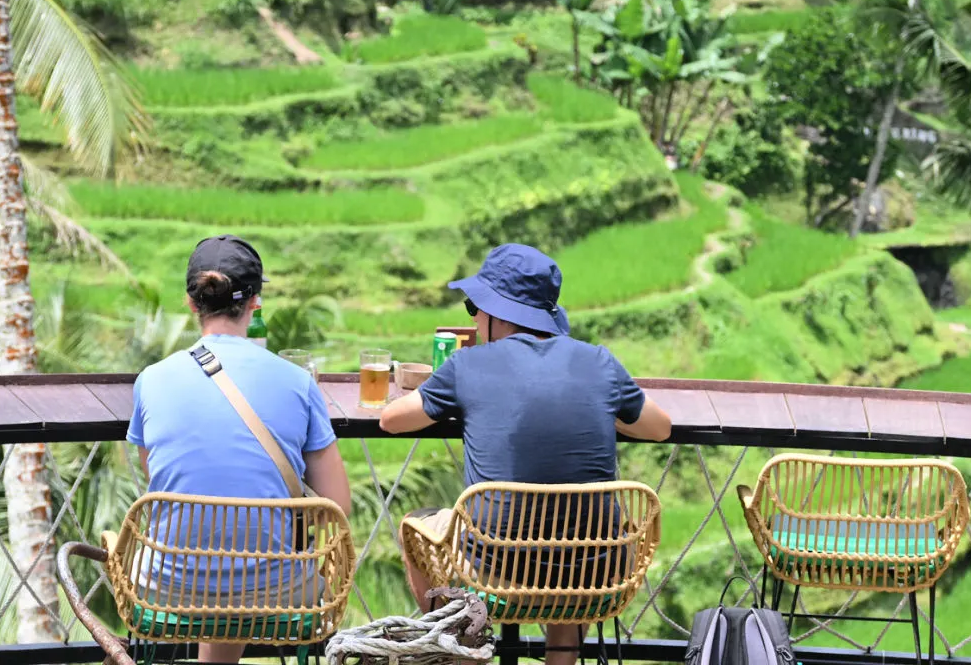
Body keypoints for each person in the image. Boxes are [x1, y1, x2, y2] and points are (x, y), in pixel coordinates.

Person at [380, 242, 671, 665]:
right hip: (595, 570)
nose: (475, 319)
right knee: (573, 535)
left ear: (499, 313)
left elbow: (392, 420)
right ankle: (561, 660)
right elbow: (659, 428)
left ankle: (460, 651)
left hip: (497, 567)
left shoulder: (468, 366)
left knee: (414, 524)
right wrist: (601, 407)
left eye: (474, 308)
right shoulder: (599, 362)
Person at [127, 234, 351, 664]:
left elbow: (157, 480)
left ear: (192, 303)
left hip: (166, 588)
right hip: (276, 592)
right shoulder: (297, 381)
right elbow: (336, 506)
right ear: (256, 302)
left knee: (207, 558)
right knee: (253, 570)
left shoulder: (151, 379)